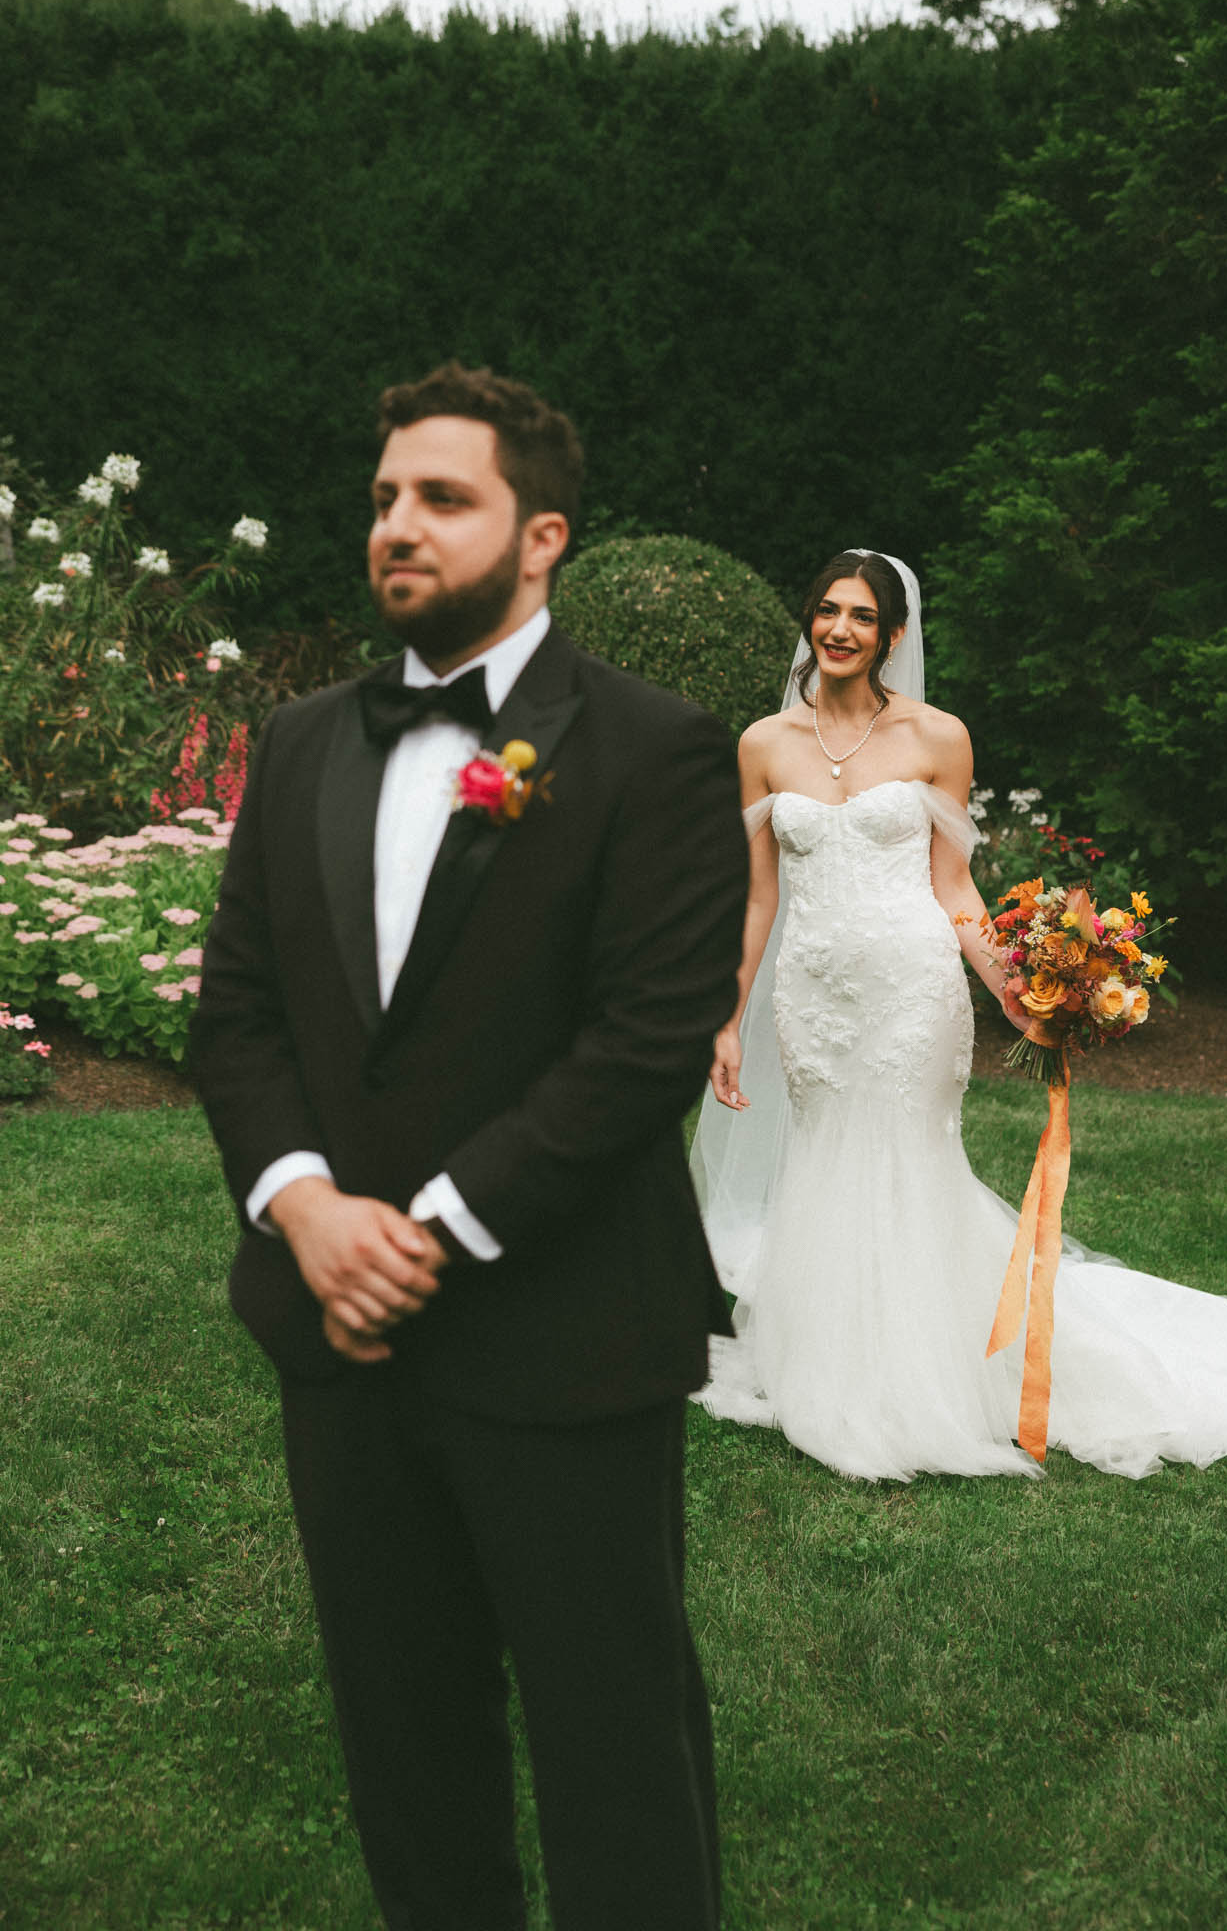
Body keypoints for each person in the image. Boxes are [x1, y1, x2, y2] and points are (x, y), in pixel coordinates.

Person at [191, 362, 749, 1931]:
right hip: (339, 1347)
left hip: (565, 1336)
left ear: (543, 535)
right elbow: (236, 1015)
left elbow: (646, 1043)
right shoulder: (299, 742)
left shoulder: (653, 751)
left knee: (611, 1734)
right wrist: (306, 1213)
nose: (397, 527)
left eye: (442, 499)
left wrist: (425, 1229)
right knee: (403, 1735)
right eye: (383, 499)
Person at [691, 549, 1227, 1482]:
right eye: (825, 610)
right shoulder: (763, 743)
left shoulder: (938, 737)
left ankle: (924, 1375)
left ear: (892, 634)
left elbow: (954, 885)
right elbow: (759, 899)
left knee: (908, 1160)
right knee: (826, 1161)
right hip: (813, 996)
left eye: (860, 615)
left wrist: (1019, 987)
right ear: (809, 621)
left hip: (911, 991)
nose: (838, 629)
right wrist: (729, 1018)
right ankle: (829, 1357)